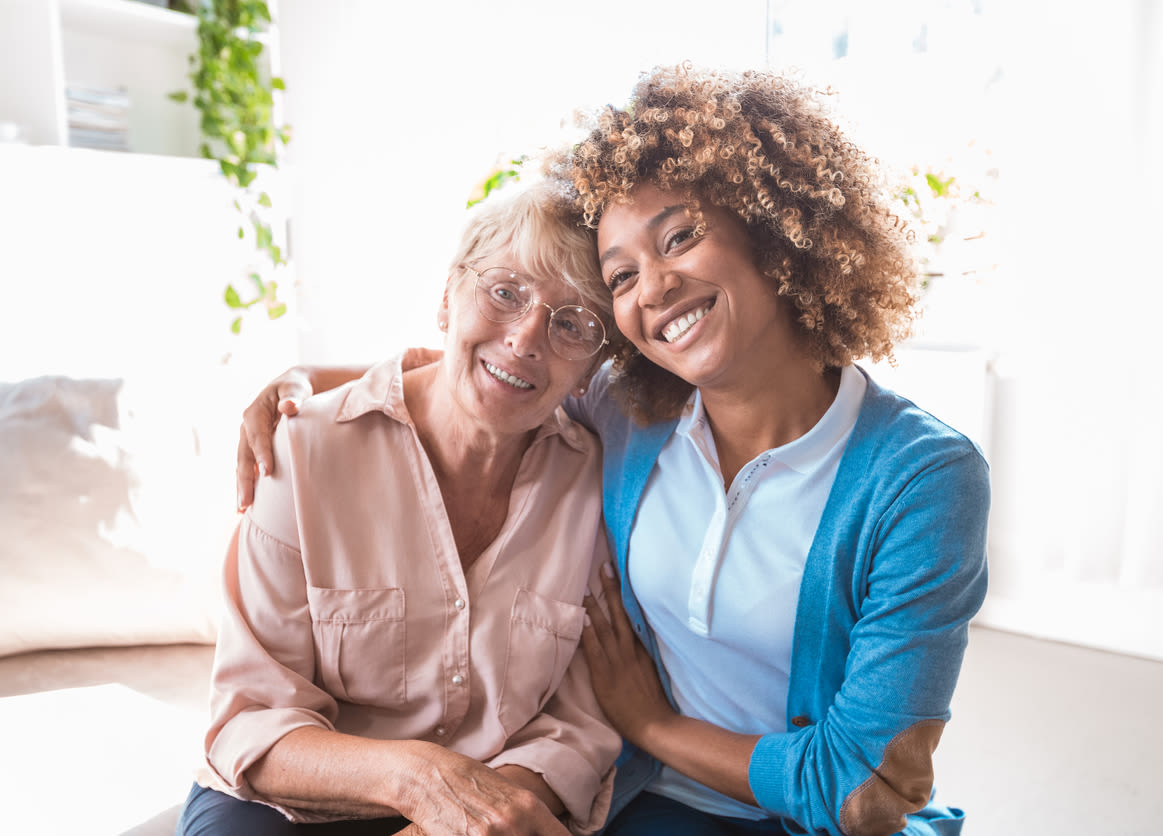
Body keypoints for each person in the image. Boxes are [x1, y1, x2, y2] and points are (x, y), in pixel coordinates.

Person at [237, 63, 990, 836]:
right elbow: (485, 367)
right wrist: (304, 383)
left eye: (681, 237)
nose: (654, 289)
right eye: (621, 275)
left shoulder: (923, 479)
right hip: (639, 802)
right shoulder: (633, 412)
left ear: (772, 231)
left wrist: (651, 723)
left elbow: (862, 792)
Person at [176, 178, 623, 836]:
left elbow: (576, 724)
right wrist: (421, 782)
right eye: (505, 292)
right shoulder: (300, 453)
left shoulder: (593, 483)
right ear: (447, 299)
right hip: (293, 798)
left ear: (591, 367)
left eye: (573, 323)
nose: (527, 338)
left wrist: (480, 808)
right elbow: (252, 717)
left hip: (489, 800)